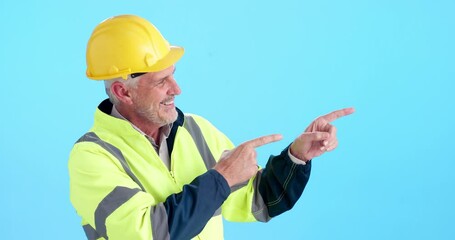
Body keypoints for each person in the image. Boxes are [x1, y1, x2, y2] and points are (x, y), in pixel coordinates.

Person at [68, 14, 354, 240]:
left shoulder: (196, 130)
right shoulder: (93, 156)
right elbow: (148, 233)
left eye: (173, 76)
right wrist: (220, 179)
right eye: (161, 81)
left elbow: (259, 200)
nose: (176, 89)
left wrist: (297, 157)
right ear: (123, 92)